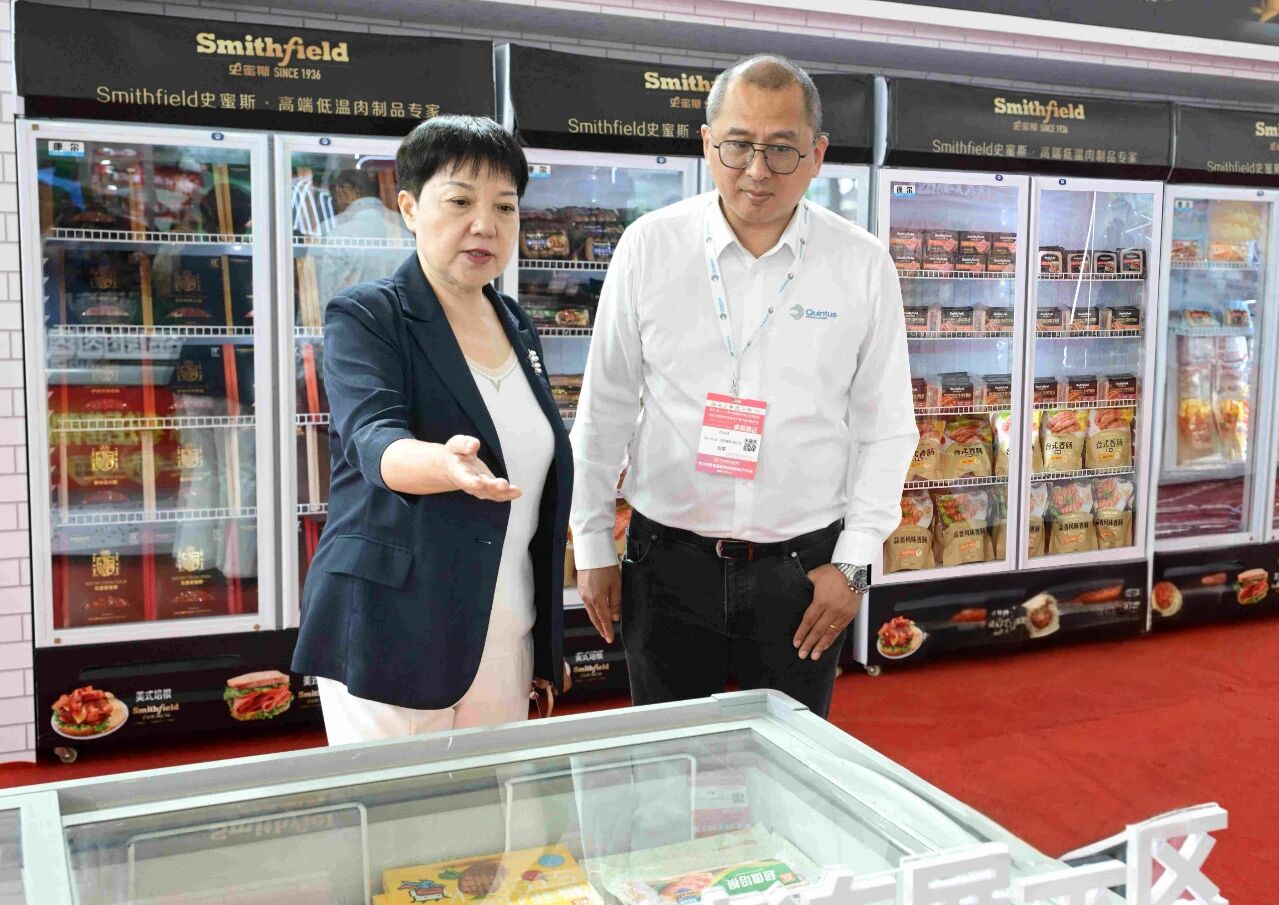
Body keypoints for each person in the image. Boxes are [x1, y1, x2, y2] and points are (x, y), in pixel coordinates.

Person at [570, 55, 916, 718]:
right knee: (666, 758)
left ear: (817, 155)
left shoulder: (861, 263)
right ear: (707, 144)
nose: (756, 170)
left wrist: (854, 562)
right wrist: (590, 544)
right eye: (737, 145)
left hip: (802, 570)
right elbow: (604, 407)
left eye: (781, 149)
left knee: (791, 759)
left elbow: (887, 426)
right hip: (666, 560)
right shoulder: (649, 248)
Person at [292, 116, 573, 745]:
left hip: (505, 631)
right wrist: (445, 466)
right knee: (394, 808)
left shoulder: (516, 323)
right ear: (410, 208)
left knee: (488, 804)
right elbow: (373, 438)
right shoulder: (368, 315)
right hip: (395, 625)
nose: (486, 225)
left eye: (505, 206)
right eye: (460, 202)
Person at [313, 167, 413, 305]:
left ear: (343, 190)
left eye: (333, 197)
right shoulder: (404, 228)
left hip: (349, 315)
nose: (334, 203)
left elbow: (326, 293)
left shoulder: (334, 231)